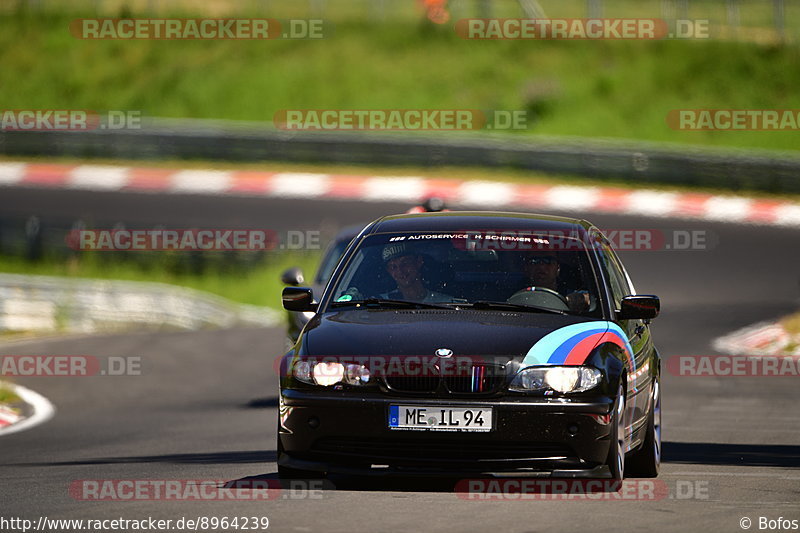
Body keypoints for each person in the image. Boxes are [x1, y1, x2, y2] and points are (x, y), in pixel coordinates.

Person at [518, 251, 593, 313]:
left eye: (548, 261)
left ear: (558, 268)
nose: (541, 266)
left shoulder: (572, 294)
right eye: (534, 261)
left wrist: (583, 300)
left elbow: (592, 300)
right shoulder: (509, 294)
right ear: (526, 269)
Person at [380, 243, 450, 302]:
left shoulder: (446, 302)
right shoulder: (380, 302)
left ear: (419, 262)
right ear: (388, 271)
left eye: (405, 263)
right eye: (393, 267)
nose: (400, 270)